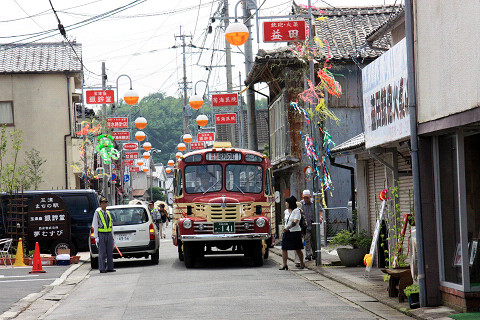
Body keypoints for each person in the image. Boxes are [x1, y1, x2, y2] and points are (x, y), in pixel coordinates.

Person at [279, 195, 305, 270]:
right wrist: (285, 228)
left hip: (295, 232)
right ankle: (284, 264)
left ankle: (302, 263)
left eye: (287, 203)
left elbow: (295, 222)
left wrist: (287, 228)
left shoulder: (297, 211)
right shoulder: (286, 211)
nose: (286, 204)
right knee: (284, 248)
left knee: (297, 248)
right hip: (287, 232)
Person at [92, 197, 115, 273]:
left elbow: (111, 225)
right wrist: (96, 236)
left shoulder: (108, 212)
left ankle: (110, 267)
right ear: (100, 204)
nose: (104, 204)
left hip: (109, 234)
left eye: (105, 203)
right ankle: (102, 268)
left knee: (109, 252)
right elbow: (95, 224)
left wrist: (113, 237)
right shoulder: (97, 212)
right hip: (101, 234)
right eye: (102, 203)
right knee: (102, 252)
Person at [301, 189, 323, 261]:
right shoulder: (301, 204)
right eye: (304, 197)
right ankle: (308, 254)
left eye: (307, 197)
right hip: (306, 225)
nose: (306, 199)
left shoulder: (314, 202)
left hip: (313, 224)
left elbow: (320, 210)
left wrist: (320, 217)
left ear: (310, 196)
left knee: (314, 240)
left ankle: (314, 254)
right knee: (307, 239)